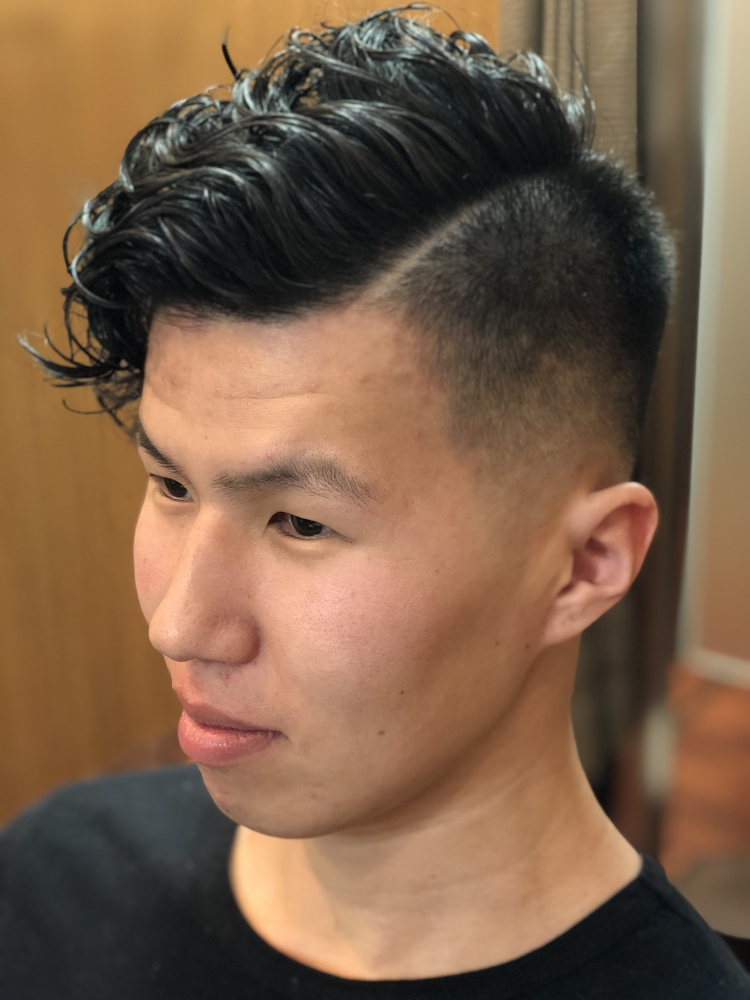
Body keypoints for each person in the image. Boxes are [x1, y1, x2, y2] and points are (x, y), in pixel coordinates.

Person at [1, 7, 747, 998]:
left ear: (584, 564)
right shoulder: (52, 881)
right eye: (171, 485)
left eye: (301, 522)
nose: (179, 624)